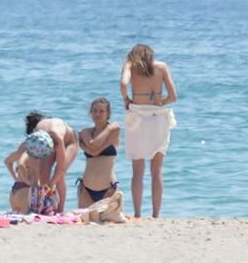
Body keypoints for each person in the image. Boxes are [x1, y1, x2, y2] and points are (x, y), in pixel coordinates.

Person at [119, 44, 178, 218]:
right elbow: (173, 96)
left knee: (137, 170)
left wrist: (126, 100)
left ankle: (137, 213)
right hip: (158, 117)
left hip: (138, 117)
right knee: (157, 170)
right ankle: (155, 214)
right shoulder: (161, 67)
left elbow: (123, 84)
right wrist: (162, 102)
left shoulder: (130, 65)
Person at [23, 111, 80, 210]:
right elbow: (34, 170)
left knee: (59, 176)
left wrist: (50, 185)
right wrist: (37, 189)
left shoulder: (57, 138)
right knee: (43, 174)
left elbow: (60, 169)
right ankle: (46, 206)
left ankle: (60, 209)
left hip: (70, 141)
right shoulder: (34, 139)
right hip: (47, 138)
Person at [75, 96, 122, 208]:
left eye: (102, 111)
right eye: (95, 110)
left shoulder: (114, 131)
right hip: (86, 189)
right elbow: (93, 144)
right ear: (90, 113)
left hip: (108, 188)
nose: (98, 114)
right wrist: (109, 129)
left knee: (107, 221)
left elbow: (94, 148)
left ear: (108, 113)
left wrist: (84, 146)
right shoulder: (85, 131)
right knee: (84, 223)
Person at [3, 128, 59, 215]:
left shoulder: (21, 150)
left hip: (15, 190)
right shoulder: (33, 152)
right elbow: (21, 164)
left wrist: (15, 177)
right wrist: (27, 181)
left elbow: (7, 161)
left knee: (19, 219)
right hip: (26, 192)